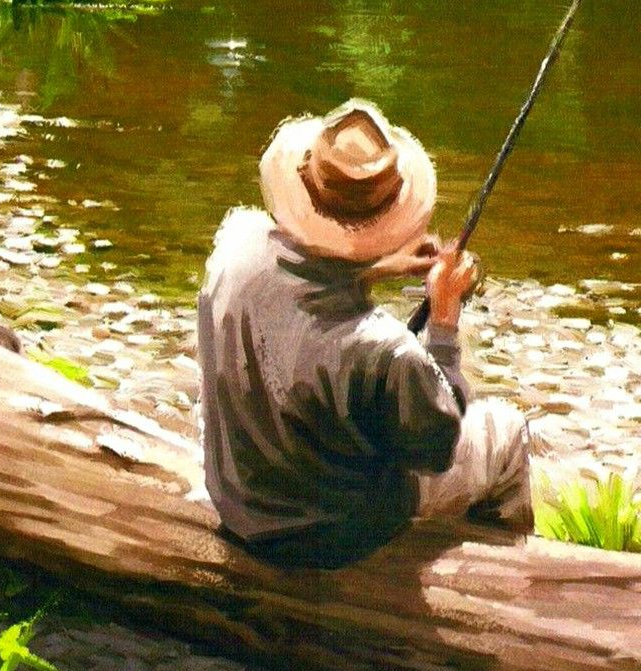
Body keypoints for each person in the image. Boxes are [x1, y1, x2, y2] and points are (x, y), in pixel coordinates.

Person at [197, 99, 533, 566]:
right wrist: (443, 319)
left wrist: (371, 268)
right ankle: (508, 576)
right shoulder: (384, 351)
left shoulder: (234, 249)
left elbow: (301, 283)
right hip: (334, 536)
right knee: (508, 431)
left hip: (242, 509)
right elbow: (439, 446)